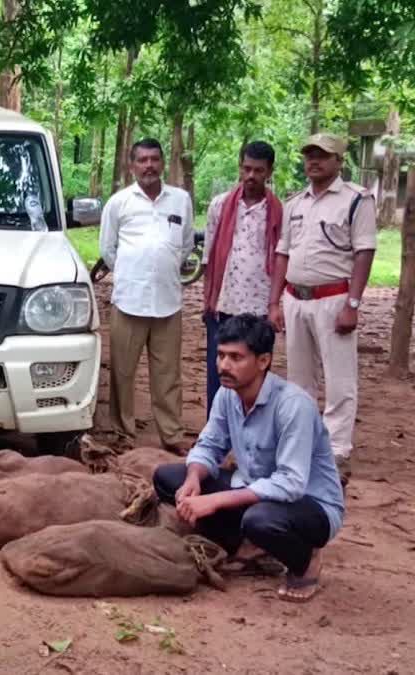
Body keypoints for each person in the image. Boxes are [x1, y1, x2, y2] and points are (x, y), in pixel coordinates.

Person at [153, 314, 343, 603]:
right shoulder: (228, 394)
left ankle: (306, 561)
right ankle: (250, 546)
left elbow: (290, 484)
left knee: (261, 520)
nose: (224, 365)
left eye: (236, 357)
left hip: (309, 504)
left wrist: (214, 500)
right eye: (221, 356)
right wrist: (193, 479)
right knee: (168, 479)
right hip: (252, 488)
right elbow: (210, 445)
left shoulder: (294, 406)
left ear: (263, 361)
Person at [268, 133, 376, 483]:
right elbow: (283, 252)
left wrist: (353, 304)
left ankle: (336, 449)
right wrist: (275, 301)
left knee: (339, 378)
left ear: (338, 161)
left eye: (322, 156)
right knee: (298, 379)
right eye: (309, 155)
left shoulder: (356, 200)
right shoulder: (295, 203)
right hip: (296, 299)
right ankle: (303, 441)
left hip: (334, 299)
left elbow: (364, 252)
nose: (313, 161)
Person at [99, 138, 194, 452]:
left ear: (163, 162)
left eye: (155, 159)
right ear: (132, 165)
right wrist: (134, 272)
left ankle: (172, 436)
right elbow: (107, 250)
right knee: (123, 373)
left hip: (168, 302)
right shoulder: (119, 202)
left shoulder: (180, 200)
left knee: (168, 375)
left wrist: (161, 269)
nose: (149, 165)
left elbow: (185, 246)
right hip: (129, 300)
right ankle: (123, 434)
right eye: (142, 160)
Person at [201, 141, 283, 418]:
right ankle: (216, 434)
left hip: (260, 309)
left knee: (255, 375)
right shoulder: (220, 206)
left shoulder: (279, 212)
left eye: (258, 170)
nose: (251, 176)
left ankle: (254, 435)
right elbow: (209, 256)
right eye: (246, 168)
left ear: (269, 171)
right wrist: (208, 300)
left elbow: (283, 257)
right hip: (224, 305)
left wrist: (274, 306)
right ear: (240, 167)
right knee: (220, 374)